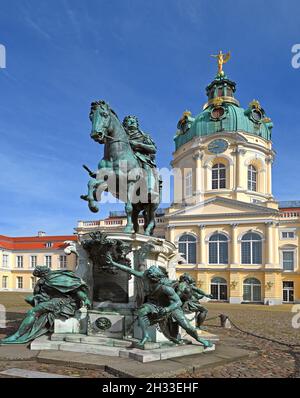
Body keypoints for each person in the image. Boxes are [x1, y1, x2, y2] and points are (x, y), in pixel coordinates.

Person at [106, 254, 212, 348]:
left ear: (156, 279)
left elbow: (178, 302)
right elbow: (129, 270)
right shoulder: (145, 277)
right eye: (148, 276)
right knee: (142, 311)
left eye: (151, 278)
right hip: (154, 304)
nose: (148, 279)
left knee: (187, 327)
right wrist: (114, 263)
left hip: (170, 306)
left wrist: (167, 309)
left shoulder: (166, 288)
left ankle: (200, 339)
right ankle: (146, 336)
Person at [0, 266, 91, 344]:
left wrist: (85, 299)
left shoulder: (56, 278)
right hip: (55, 300)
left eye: (38, 276)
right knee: (33, 303)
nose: (38, 278)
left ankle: (17, 336)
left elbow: (76, 289)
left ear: (42, 274)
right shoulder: (45, 280)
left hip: (65, 302)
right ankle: (24, 331)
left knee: (33, 311)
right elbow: (40, 293)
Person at [122, 115, 159, 200]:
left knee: (147, 167)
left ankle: (150, 190)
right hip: (124, 158)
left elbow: (153, 149)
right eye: (129, 121)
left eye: (133, 121)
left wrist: (138, 144)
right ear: (124, 124)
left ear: (137, 124)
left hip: (141, 157)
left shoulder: (144, 136)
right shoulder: (120, 135)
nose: (131, 123)